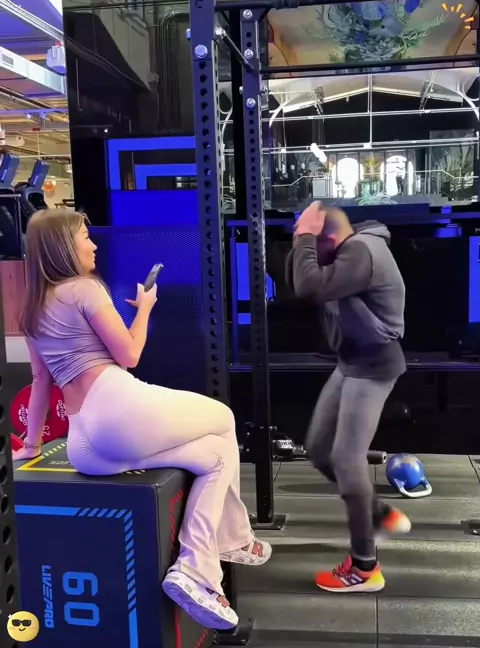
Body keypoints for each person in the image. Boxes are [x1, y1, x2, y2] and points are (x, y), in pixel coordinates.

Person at [13, 208, 272, 630]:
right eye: (84, 237)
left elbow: (40, 381)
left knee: (215, 455)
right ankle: (216, 549)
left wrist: (31, 444)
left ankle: (207, 562)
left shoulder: (31, 309)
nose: (93, 244)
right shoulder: (84, 289)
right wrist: (146, 308)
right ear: (64, 247)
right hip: (116, 407)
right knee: (224, 417)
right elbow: (130, 354)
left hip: (84, 447)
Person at [286, 202, 411, 593]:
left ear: (328, 239)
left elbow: (308, 285)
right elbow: (298, 278)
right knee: (318, 449)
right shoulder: (349, 250)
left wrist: (305, 236)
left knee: (345, 458)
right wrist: (303, 237)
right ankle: (376, 514)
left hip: (373, 367)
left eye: (311, 241)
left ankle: (364, 567)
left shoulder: (360, 251)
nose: (306, 250)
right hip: (351, 362)